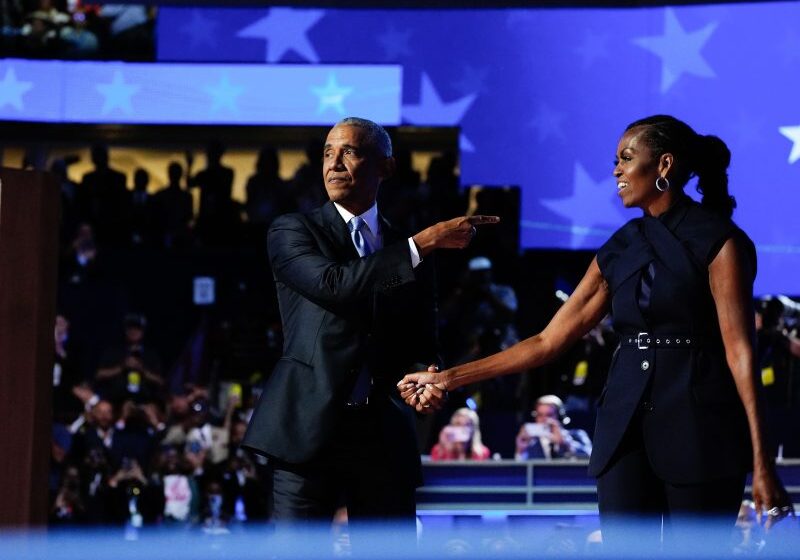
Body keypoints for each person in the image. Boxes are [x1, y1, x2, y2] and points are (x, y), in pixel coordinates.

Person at [399, 115, 793, 551]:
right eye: (616, 161)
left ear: (663, 165)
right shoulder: (620, 247)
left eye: (627, 159)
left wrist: (762, 461)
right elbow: (547, 342)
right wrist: (447, 378)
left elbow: (741, 352)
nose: (616, 171)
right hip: (624, 429)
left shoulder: (720, 241)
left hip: (702, 428)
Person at [241, 116, 498, 543]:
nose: (334, 163)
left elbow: (420, 339)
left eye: (350, 151)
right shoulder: (293, 231)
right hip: (307, 429)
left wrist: (427, 375)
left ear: (386, 168)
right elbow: (335, 285)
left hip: (382, 435)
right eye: (327, 153)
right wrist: (424, 243)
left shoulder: (409, 250)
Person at [515, 395, 591, 460]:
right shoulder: (531, 444)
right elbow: (522, 471)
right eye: (540, 415)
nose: (544, 420)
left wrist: (565, 443)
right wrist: (520, 450)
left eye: (549, 415)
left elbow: (590, 457)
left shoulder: (577, 435)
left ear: (560, 417)